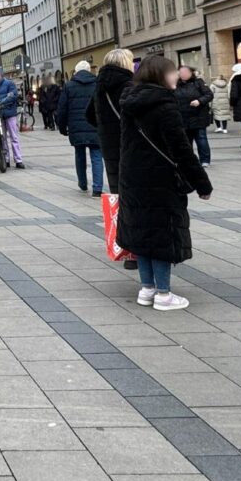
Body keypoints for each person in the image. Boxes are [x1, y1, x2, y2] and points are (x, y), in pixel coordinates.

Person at [116, 55, 212, 311]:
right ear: (160, 75)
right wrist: (202, 185)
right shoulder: (164, 105)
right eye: (171, 72)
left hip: (133, 178)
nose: (176, 76)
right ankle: (164, 294)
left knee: (143, 234)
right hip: (161, 180)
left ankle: (147, 289)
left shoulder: (130, 103)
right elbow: (181, 149)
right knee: (162, 235)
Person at [86, 49, 137, 270]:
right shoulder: (128, 85)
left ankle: (123, 246)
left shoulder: (100, 87)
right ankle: (135, 251)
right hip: (131, 148)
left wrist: (105, 130)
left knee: (119, 196)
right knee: (135, 199)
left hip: (110, 150)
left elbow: (89, 115)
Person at [56, 60, 103, 196]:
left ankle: (83, 184)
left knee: (80, 155)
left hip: (76, 127)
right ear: (89, 70)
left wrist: (62, 127)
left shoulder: (69, 86)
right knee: (97, 156)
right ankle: (97, 188)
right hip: (95, 125)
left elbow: (62, 108)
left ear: (76, 72)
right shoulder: (97, 84)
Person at [175, 65, 213, 167]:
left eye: (185, 72)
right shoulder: (175, 85)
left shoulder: (198, 82)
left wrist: (199, 101)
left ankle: (205, 160)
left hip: (198, 116)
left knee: (201, 139)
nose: (183, 74)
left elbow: (209, 95)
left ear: (191, 73)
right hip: (183, 117)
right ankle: (189, 161)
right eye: (181, 72)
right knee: (186, 141)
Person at [0, 66, 24, 168]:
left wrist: (1, 102)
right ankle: (6, 159)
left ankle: (18, 160)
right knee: (2, 138)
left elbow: (13, 96)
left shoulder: (9, 84)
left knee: (14, 137)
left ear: (0, 74)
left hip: (10, 114)